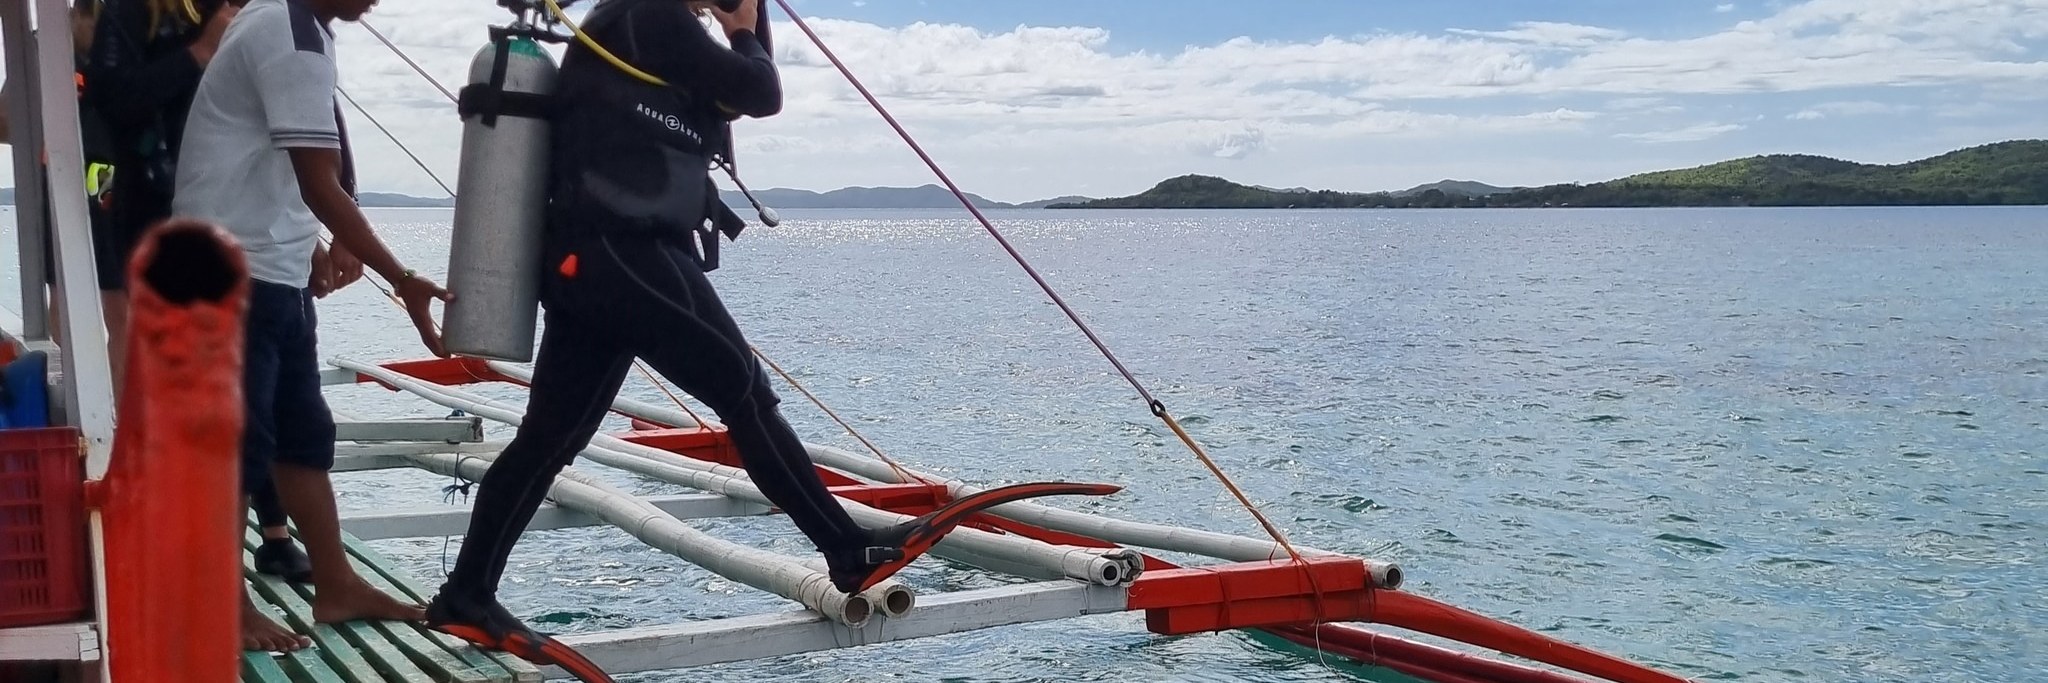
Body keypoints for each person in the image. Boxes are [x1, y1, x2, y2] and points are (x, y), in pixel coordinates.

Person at [420, 0, 1117, 665]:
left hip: (594, 258)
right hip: (626, 248)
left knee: (550, 437)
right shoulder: (649, 14)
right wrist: (748, 29)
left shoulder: (630, 26)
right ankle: (847, 549)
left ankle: (467, 592)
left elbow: (730, 103)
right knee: (744, 392)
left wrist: (751, 26)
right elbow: (759, 88)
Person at [171, 0, 449, 652]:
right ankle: (225, 606)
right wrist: (403, 279)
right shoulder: (287, 32)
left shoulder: (304, 31)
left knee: (302, 435)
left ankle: (336, 583)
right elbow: (321, 183)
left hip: (275, 269)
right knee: (235, 448)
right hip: (228, 273)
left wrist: (313, 247)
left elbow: (277, 164)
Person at [85, 0, 320, 585]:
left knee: (257, 390)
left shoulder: (257, 18)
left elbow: (313, 118)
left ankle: (273, 534)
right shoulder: (131, 16)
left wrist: (323, 225)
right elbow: (115, 100)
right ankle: (199, 555)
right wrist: (198, 51)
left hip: (246, 228)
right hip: (152, 217)